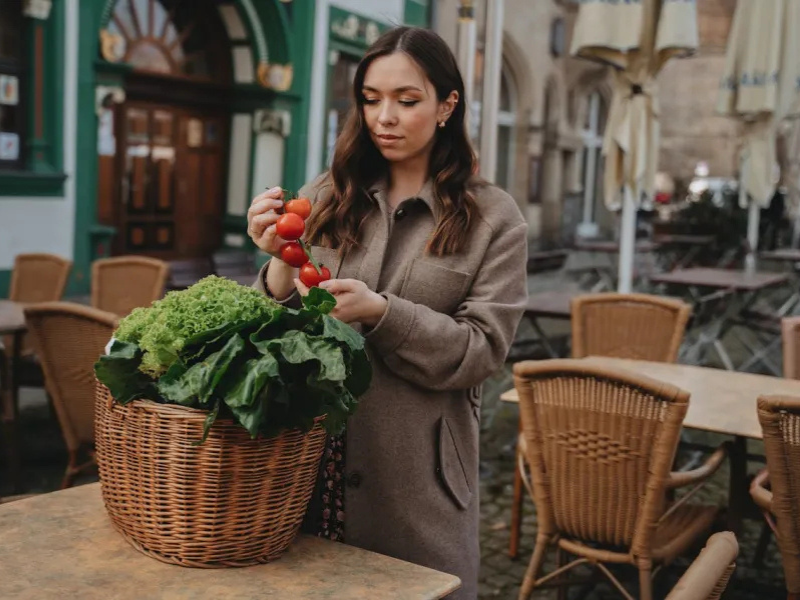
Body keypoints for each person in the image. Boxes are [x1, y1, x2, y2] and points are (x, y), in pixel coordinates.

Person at [246, 26, 528, 599]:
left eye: (407, 100)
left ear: (448, 105)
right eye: (371, 99)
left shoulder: (494, 219)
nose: (385, 117)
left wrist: (383, 314)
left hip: (417, 486)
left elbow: (482, 352)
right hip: (302, 469)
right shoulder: (325, 195)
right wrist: (278, 263)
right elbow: (269, 334)